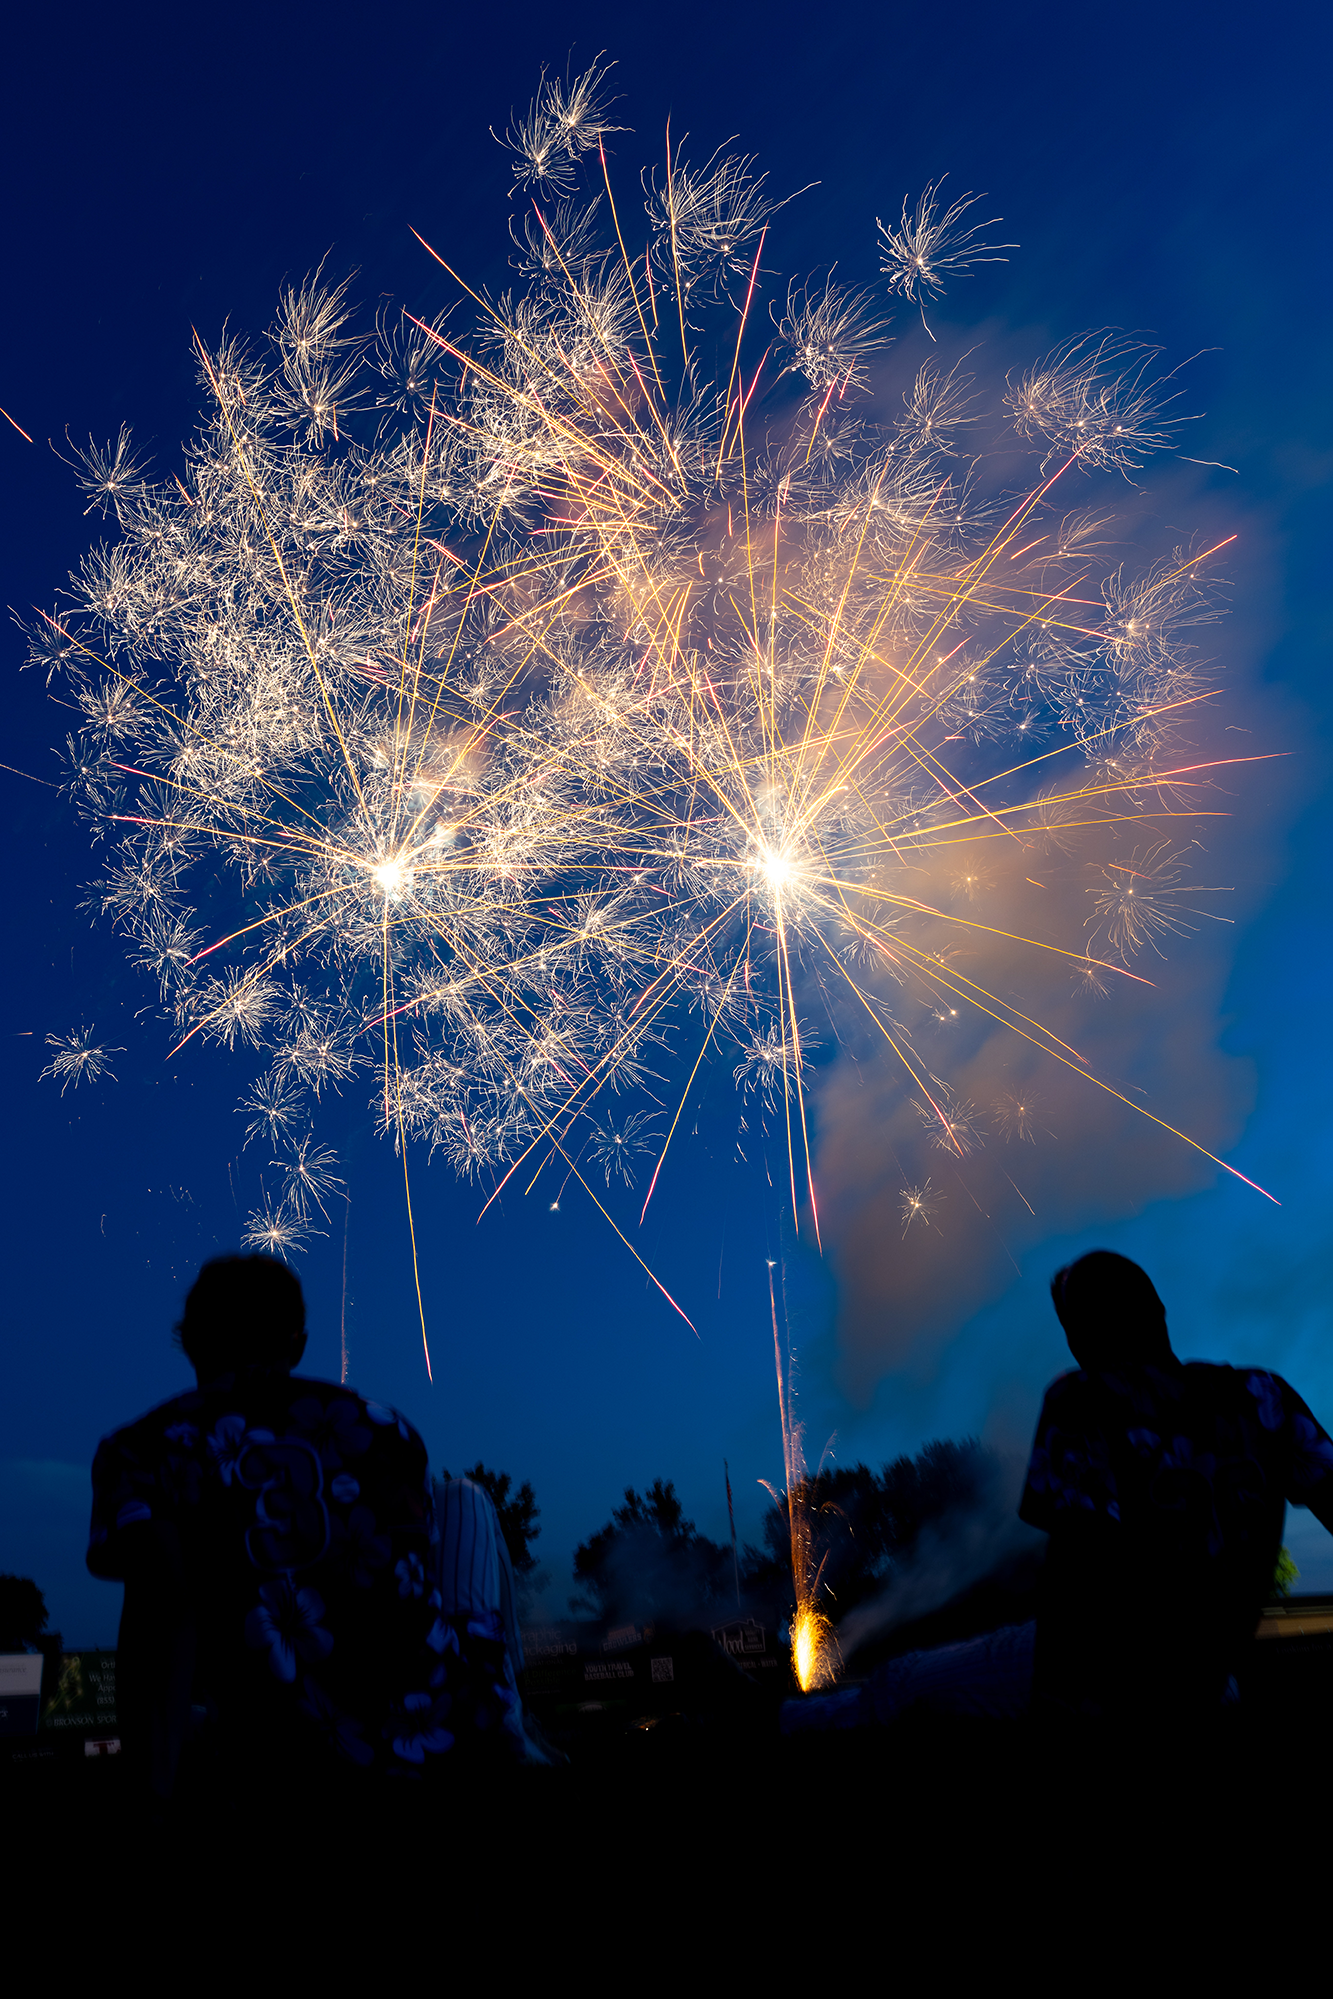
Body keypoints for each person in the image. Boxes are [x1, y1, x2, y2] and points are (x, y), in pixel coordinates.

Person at [87, 1253, 514, 1798]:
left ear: (190, 1341)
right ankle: (511, 1722)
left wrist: (153, 1799)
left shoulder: (141, 1449)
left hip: (276, 1754)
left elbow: (163, 1616)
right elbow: (415, 1583)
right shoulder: (385, 1428)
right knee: (463, 1499)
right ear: (298, 1344)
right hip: (437, 1735)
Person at [1019, 1248, 1333, 1722]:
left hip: (1121, 1682)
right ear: (1159, 1312)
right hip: (1216, 1669)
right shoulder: (1266, 1396)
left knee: (899, 1686)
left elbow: (1075, 1568)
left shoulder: (1081, 1400)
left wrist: (1055, 1705)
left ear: (1079, 1334)